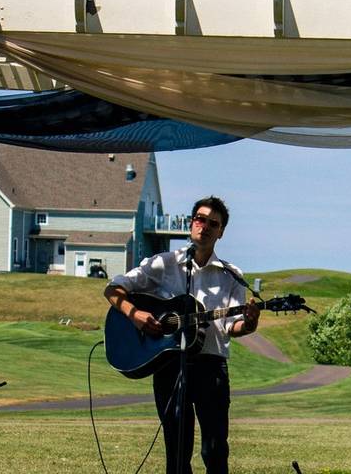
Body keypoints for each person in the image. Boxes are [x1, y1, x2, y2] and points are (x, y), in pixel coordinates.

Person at [104, 196, 259, 474]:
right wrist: (134, 314)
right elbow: (114, 289)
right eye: (200, 219)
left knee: (215, 450)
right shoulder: (165, 264)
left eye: (214, 223)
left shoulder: (232, 276)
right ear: (191, 223)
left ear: (221, 232)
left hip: (212, 368)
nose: (205, 226)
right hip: (170, 367)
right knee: (176, 451)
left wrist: (248, 324)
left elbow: (232, 327)